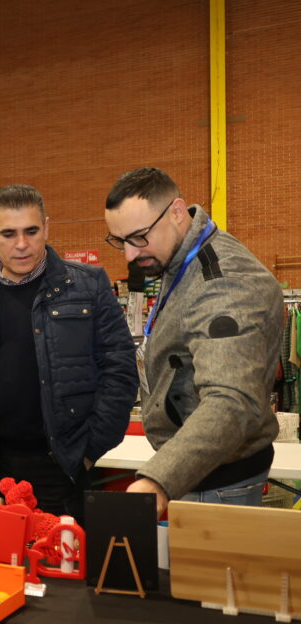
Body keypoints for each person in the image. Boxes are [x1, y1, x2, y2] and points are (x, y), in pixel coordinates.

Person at [0, 184, 137, 519]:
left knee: (59, 553)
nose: (21, 244)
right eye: (8, 233)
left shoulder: (88, 286)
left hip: (62, 470)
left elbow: (119, 372)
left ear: (47, 228)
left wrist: (87, 453)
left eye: (31, 231)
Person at [103, 167, 282, 517]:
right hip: (198, 473)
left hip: (217, 483)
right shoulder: (179, 259)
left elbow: (232, 400)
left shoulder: (222, 284)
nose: (129, 255)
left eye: (139, 237)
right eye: (120, 240)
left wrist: (158, 480)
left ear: (176, 212)